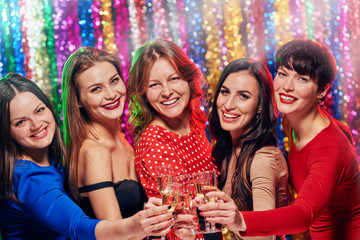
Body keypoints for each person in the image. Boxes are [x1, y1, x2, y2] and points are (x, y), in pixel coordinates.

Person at [198, 39, 360, 240]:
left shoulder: (330, 148)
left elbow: (303, 216)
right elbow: (342, 131)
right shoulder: (292, 119)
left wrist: (240, 220)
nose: (287, 86)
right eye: (283, 74)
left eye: (302, 79)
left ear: (323, 90)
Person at [0, 73, 174, 239]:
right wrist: (135, 224)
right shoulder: (27, 179)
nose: (36, 124)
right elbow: (78, 227)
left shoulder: (52, 157)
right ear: (6, 131)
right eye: (20, 122)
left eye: (39, 110)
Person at [127, 39, 220, 239]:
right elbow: (184, 221)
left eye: (174, 79)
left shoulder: (197, 119)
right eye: (154, 85)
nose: (167, 92)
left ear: (189, 78)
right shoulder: (156, 141)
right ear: (143, 94)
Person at [61, 47, 149, 221]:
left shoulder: (123, 138)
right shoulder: (94, 151)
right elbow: (114, 234)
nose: (111, 94)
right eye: (96, 89)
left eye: (114, 81)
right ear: (78, 100)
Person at [207, 59, 289, 240]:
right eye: (225, 92)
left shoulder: (262, 159)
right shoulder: (227, 148)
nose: (228, 105)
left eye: (243, 96)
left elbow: (265, 236)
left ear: (260, 106)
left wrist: (234, 221)